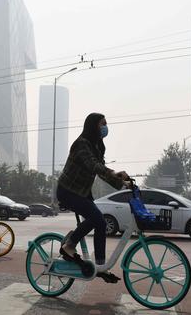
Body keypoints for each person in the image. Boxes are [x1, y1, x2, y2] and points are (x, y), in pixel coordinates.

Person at [57, 113, 128, 283]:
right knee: (96, 218)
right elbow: (93, 165)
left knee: (101, 222)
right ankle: (69, 245)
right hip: (67, 191)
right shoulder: (81, 144)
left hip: (82, 192)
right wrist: (114, 172)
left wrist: (124, 183)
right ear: (93, 125)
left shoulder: (97, 147)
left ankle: (100, 266)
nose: (105, 127)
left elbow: (101, 171)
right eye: (102, 124)